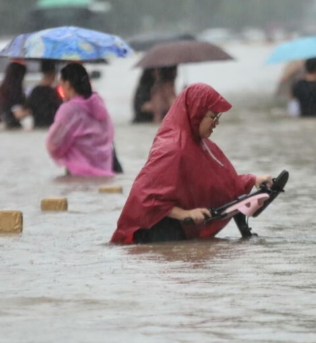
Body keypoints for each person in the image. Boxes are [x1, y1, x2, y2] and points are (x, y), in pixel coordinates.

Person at [111, 83, 274, 244]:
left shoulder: (202, 145)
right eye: (212, 116)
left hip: (180, 232)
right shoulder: (171, 147)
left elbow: (219, 183)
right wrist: (183, 214)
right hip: (157, 233)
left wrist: (253, 180)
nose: (216, 123)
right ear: (197, 113)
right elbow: (145, 197)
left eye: (218, 117)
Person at [46, 63, 116, 176]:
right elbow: (110, 134)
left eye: (61, 84)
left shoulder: (69, 109)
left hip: (77, 173)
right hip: (104, 172)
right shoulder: (99, 104)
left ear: (67, 84)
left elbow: (54, 143)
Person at [25, 59, 62, 128]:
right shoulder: (54, 92)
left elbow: (28, 108)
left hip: (37, 126)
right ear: (53, 73)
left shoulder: (35, 91)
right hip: (52, 127)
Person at [0, 61, 27, 129]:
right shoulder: (15, 92)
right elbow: (18, 114)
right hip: (13, 126)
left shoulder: (1, 90)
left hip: (2, 125)